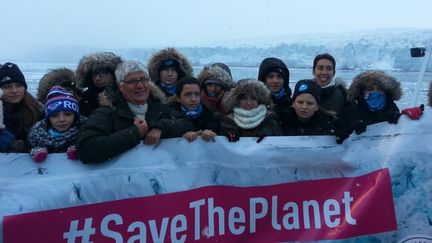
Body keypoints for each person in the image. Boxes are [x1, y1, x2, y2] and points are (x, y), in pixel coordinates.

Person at [76, 60, 194, 163]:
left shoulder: (159, 109)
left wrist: (160, 128)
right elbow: (85, 148)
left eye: (144, 79)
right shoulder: (107, 112)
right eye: (133, 81)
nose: (140, 86)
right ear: (121, 87)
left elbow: (186, 124)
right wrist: (134, 133)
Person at [334, 70, 402, 144]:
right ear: (361, 93)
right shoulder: (352, 112)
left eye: (380, 89)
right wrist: (351, 128)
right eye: (370, 89)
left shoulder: (391, 108)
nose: (375, 92)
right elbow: (339, 138)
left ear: (387, 92)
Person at [28, 86, 86, 163]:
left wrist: (80, 147)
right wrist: (33, 149)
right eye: (54, 115)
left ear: (75, 115)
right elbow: (28, 146)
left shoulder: (85, 130)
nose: (61, 119)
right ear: (48, 118)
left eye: (68, 114)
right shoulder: (37, 134)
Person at [0, 62, 44, 152]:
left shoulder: (39, 111)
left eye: (19, 85)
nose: (14, 91)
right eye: (7, 87)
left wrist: (21, 146)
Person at [167, 77, 220, 142]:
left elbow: (227, 135)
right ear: (178, 98)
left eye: (197, 94)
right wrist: (180, 136)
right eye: (188, 94)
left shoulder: (211, 117)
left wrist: (215, 134)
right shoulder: (167, 115)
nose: (193, 99)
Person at [75, 52, 123, 116]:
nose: (97, 78)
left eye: (103, 73)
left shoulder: (125, 94)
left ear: (114, 74)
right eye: (94, 74)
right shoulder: (84, 98)